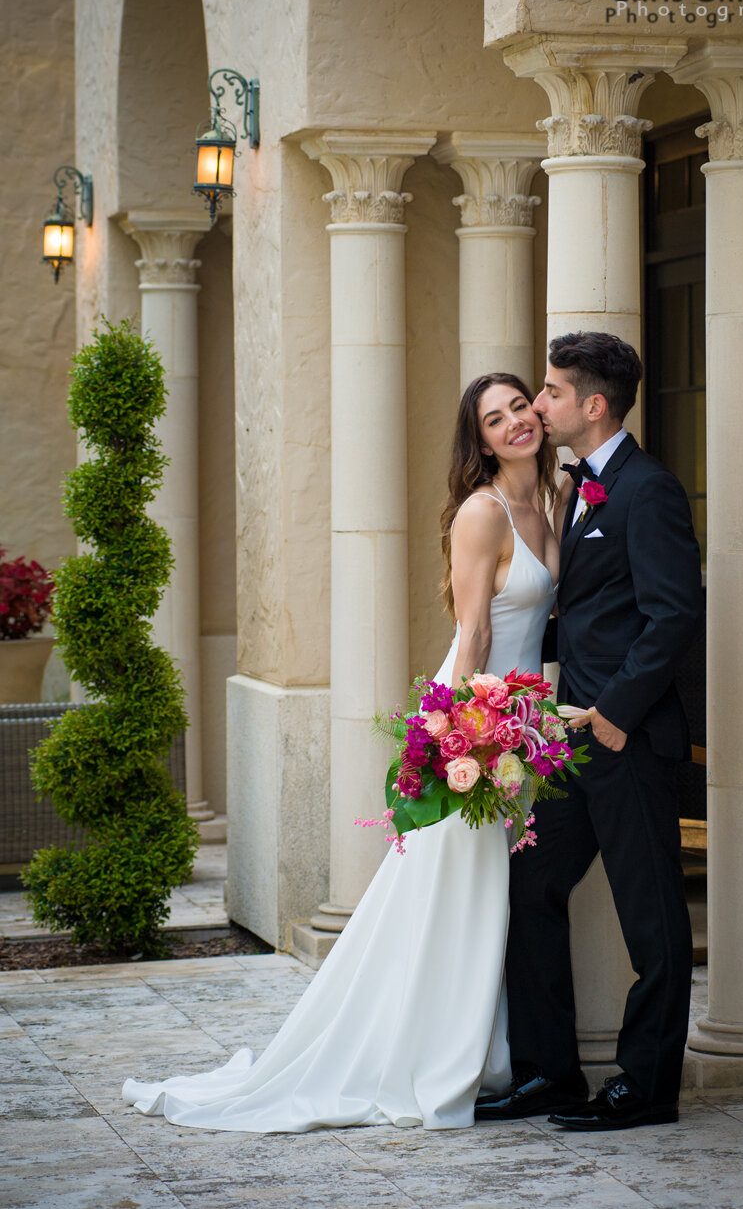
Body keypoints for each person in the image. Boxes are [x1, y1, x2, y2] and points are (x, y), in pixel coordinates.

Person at [120, 372, 558, 1133]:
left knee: (487, 892)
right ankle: (432, 1056)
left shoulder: (549, 504)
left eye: (521, 406)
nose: (516, 422)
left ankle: (489, 1052)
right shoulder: (484, 513)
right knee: (452, 885)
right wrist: (465, 734)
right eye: (496, 418)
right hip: (476, 714)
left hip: (522, 720)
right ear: (479, 438)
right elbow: (475, 629)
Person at [476, 331, 702, 1131]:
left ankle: (646, 1087)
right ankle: (549, 1073)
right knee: (530, 884)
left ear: (592, 404)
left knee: (652, 918)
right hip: (575, 736)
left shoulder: (649, 490)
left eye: (550, 391)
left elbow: (675, 615)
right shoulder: (583, 490)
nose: (538, 405)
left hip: (626, 737)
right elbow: (579, 618)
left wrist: (613, 715)